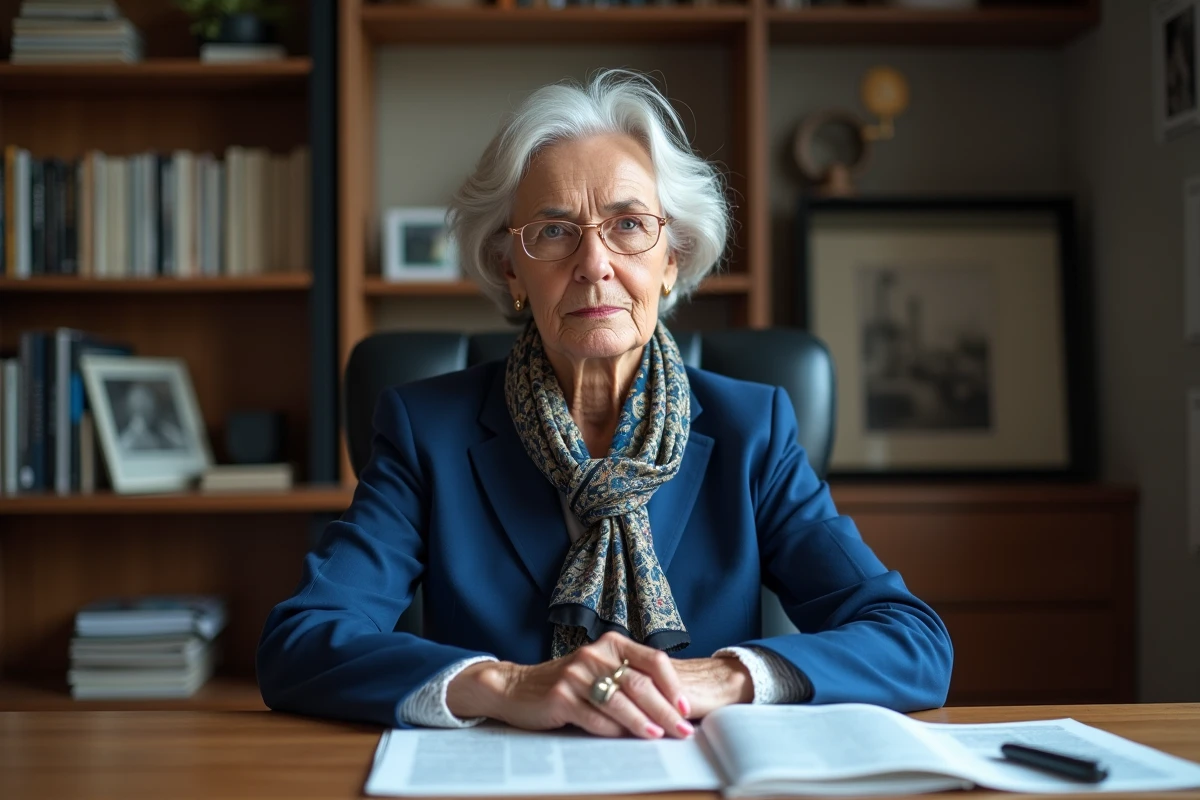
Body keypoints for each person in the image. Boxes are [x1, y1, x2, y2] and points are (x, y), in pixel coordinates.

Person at [257, 70, 953, 739]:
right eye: (555, 231)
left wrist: (723, 677)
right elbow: (303, 641)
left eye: (628, 225)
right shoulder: (426, 432)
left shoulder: (753, 432)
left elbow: (911, 641)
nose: (595, 263)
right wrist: (507, 685)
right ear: (512, 268)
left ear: (671, 257)